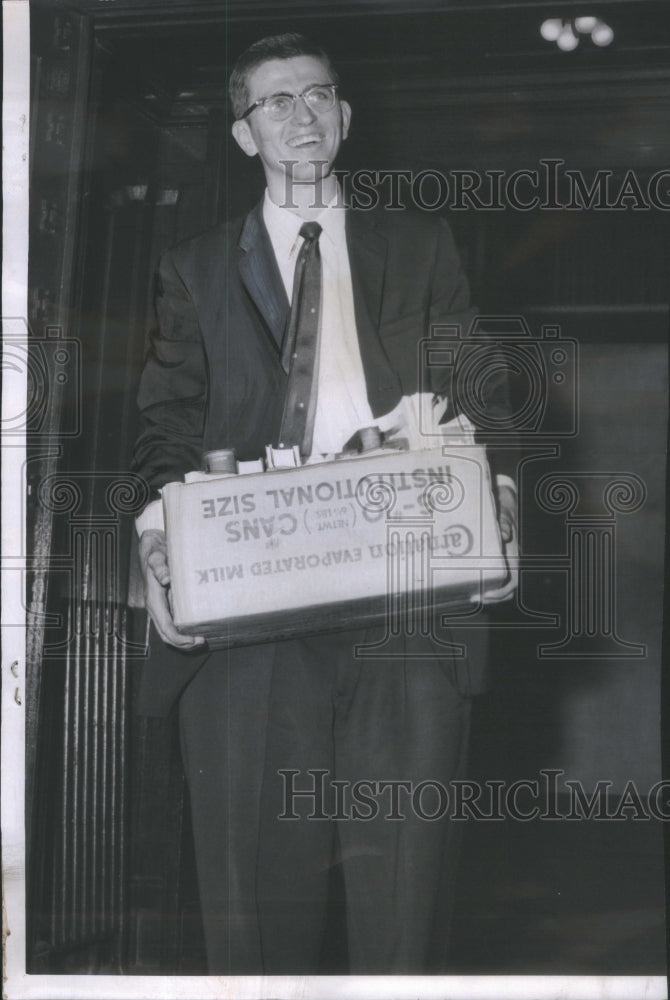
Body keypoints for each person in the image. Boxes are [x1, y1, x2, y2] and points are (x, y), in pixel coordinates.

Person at [132, 32, 517, 974]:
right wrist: (158, 553)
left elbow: (481, 393)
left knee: (405, 910)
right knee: (254, 914)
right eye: (277, 102)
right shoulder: (192, 266)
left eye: (319, 96)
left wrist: (496, 506)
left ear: (344, 118)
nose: (302, 115)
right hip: (247, 618)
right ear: (242, 133)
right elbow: (164, 429)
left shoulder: (421, 246)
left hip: (406, 605)